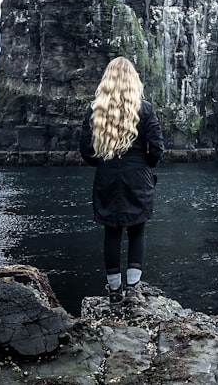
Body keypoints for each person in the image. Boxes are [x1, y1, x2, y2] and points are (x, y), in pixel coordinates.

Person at [79, 56, 164, 304]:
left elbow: (86, 151)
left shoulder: (95, 109)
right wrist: (146, 165)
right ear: (133, 80)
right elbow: (157, 148)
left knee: (112, 232)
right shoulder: (145, 109)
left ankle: (114, 291)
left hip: (106, 177)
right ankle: (134, 288)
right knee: (138, 230)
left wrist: (103, 163)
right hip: (138, 176)